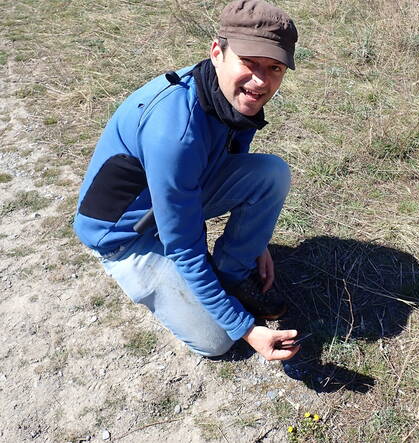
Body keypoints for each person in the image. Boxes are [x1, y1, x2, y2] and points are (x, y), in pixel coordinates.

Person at [73, 0, 301, 361]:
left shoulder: (231, 95)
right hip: (126, 235)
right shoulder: (175, 133)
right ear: (217, 52)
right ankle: (189, 284)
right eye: (249, 63)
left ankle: (231, 272)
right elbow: (182, 244)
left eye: (274, 67)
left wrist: (255, 243)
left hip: (174, 200)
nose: (260, 81)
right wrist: (244, 327)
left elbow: (232, 160)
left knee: (271, 174)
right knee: (217, 340)